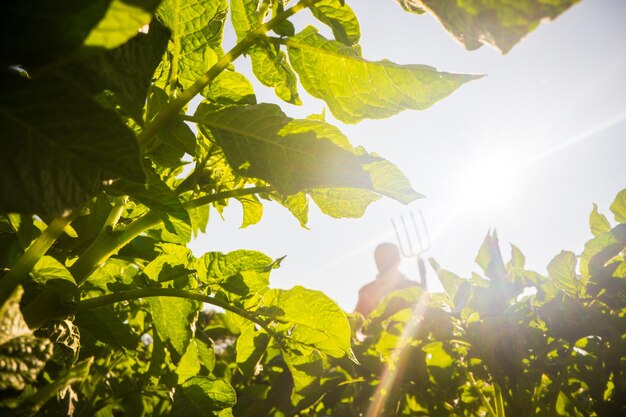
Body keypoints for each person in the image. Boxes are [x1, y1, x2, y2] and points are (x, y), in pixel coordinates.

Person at [354, 243, 418, 316]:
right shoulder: (367, 292)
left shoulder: (414, 288)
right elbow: (356, 322)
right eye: (379, 259)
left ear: (398, 260)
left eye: (387, 258)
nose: (382, 263)